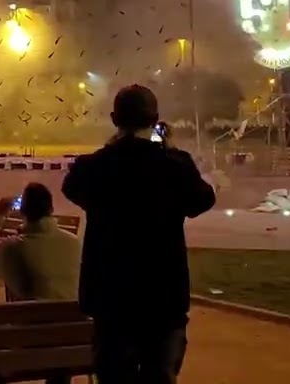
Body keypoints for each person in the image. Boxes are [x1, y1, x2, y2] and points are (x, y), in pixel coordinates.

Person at [62, 85, 216, 384]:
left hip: (110, 297)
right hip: (163, 296)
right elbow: (203, 199)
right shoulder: (174, 165)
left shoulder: (93, 167)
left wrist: (110, 149)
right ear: (156, 119)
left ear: (113, 119)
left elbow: (72, 187)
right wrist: (169, 150)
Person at [0, 182, 82, 302]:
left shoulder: (11, 248)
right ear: (51, 209)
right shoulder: (75, 244)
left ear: (21, 211)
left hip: (28, 319)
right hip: (73, 317)